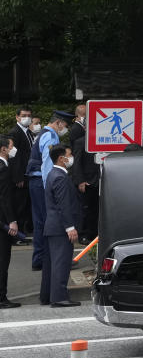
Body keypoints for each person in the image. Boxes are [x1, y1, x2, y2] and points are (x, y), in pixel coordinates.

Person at [25, 110, 73, 271]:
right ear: (58, 122)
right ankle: (46, 258)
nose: (64, 128)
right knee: (47, 222)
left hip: (36, 181)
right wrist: (50, 190)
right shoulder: (50, 136)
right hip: (41, 182)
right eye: (65, 125)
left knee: (40, 221)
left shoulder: (43, 134)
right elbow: (47, 166)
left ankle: (41, 258)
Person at [41, 144, 83, 307]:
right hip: (60, 227)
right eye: (69, 155)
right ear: (61, 158)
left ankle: (47, 296)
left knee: (51, 263)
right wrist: (70, 227)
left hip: (52, 226)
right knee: (61, 262)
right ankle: (59, 297)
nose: (71, 157)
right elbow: (63, 205)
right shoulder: (60, 177)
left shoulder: (52, 174)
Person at [68, 104, 99, 241]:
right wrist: (80, 180)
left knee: (97, 209)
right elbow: (77, 162)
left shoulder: (102, 141)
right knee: (86, 210)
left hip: (101, 180)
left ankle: (96, 233)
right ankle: (85, 234)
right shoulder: (81, 142)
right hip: (87, 181)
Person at [0, 135, 21, 309]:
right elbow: (4, 198)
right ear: (3, 149)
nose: (13, 150)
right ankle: (1, 297)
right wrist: (12, 221)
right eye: (11, 146)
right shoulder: (3, 169)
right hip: (2, 223)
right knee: (2, 260)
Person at [7, 105, 34, 240]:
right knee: (18, 205)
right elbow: (14, 157)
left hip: (27, 174)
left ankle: (23, 231)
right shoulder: (15, 132)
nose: (27, 118)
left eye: (29, 115)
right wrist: (18, 177)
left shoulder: (28, 132)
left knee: (25, 205)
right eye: (23, 115)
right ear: (17, 117)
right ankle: (16, 235)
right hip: (20, 176)